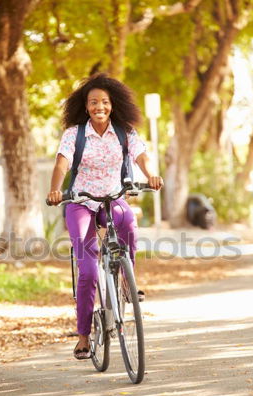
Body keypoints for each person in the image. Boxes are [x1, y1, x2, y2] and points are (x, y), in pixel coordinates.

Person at [47, 73, 163, 360]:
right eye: (93, 102)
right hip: (81, 202)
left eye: (105, 102)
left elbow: (141, 156)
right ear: (85, 107)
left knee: (128, 222)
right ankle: (84, 336)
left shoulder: (124, 131)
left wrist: (150, 175)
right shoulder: (75, 134)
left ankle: (126, 280)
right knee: (87, 271)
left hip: (112, 199)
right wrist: (55, 190)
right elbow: (62, 163)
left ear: (113, 105)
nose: (99, 106)